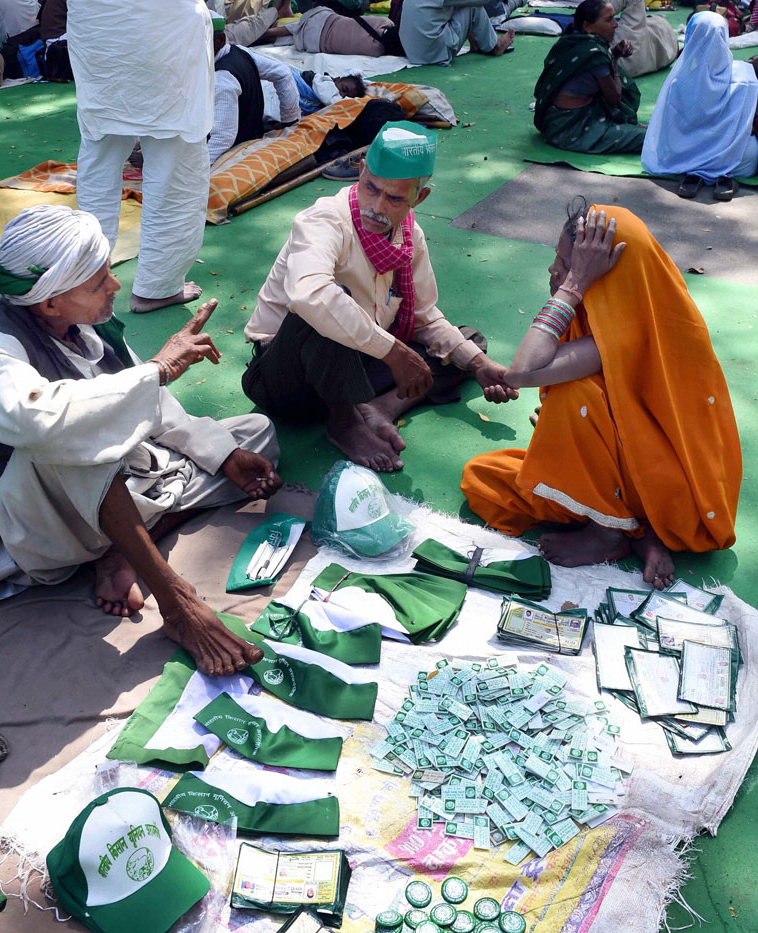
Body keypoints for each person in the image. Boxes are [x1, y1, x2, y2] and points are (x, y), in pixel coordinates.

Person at [0, 206, 282, 675]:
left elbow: (148, 404)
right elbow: (41, 422)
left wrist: (222, 454)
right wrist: (157, 370)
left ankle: (118, 547)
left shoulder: (87, 322)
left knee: (254, 436)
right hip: (22, 523)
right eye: (98, 282)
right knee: (67, 440)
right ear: (49, 303)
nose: (115, 286)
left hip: (100, 491)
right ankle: (175, 600)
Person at [461, 204, 741, 588]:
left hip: (668, 492)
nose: (552, 270)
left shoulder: (631, 330)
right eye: (558, 258)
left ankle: (608, 532)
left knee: (571, 394)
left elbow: (523, 371)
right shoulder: (612, 321)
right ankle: (640, 534)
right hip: (631, 481)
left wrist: (572, 284)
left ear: (608, 275)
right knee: (484, 478)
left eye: (567, 263)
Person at [242, 122, 517, 473]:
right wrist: (395, 353)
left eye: (395, 198)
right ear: (360, 173)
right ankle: (344, 422)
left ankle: (380, 408)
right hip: (286, 380)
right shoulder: (324, 219)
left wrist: (478, 365)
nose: (376, 206)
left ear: (420, 198)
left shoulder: (408, 236)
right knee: (327, 304)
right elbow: (308, 294)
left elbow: (424, 317)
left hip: (353, 368)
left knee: (468, 343)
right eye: (371, 188)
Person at [67, 0, 213, 313]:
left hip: (98, 34)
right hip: (162, 33)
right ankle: (157, 287)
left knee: (100, 147)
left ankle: (84, 277)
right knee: (175, 159)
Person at [642, 11, 758, 201]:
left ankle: (694, 171)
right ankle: (723, 173)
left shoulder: (678, 82)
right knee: (751, 150)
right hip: (738, 160)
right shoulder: (745, 77)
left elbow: (668, 130)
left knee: (675, 145)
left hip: (684, 155)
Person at [533, 0, 645, 154]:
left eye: (615, 17)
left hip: (551, 119)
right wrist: (615, 60)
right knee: (647, 138)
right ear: (587, 26)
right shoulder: (595, 55)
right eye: (608, 20)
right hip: (570, 127)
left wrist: (613, 53)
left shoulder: (571, 41)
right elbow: (615, 97)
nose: (615, 24)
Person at [209, 12, 301, 164]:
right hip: (253, 131)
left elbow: (222, 138)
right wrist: (289, 120)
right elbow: (282, 72)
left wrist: (197, 170)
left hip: (238, 147)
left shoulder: (222, 79)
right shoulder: (239, 51)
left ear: (219, 40)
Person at [398, 0, 515, 67]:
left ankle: (477, 43)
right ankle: (495, 46)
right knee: (473, 6)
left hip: (411, 52)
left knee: (463, 5)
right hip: (433, 54)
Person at [265, 5, 396, 57]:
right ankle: (263, 35)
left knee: (296, 27)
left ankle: (262, 32)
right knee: (291, 38)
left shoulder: (385, 22)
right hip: (315, 43)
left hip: (324, 19)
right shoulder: (377, 51)